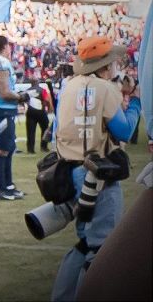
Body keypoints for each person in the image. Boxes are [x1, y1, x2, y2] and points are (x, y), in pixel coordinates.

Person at [50, 37, 141, 301]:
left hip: (69, 170)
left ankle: (63, 296)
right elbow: (124, 130)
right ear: (105, 66)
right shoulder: (105, 89)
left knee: (84, 242)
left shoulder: (68, 86)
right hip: (98, 173)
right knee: (102, 248)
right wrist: (134, 104)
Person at [0, 34, 29, 199]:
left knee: (8, 149)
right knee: (2, 150)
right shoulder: (0, 63)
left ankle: (8, 186)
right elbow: (3, 92)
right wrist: (21, 97)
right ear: (5, 46)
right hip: (1, 110)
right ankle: (1, 189)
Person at [25, 75, 54, 154]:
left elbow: (24, 101)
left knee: (30, 131)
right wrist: (49, 109)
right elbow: (47, 100)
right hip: (41, 112)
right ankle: (44, 147)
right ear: (37, 82)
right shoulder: (42, 90)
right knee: (45, 129)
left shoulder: (27, 91)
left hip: (30, 112)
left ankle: (30, 149)